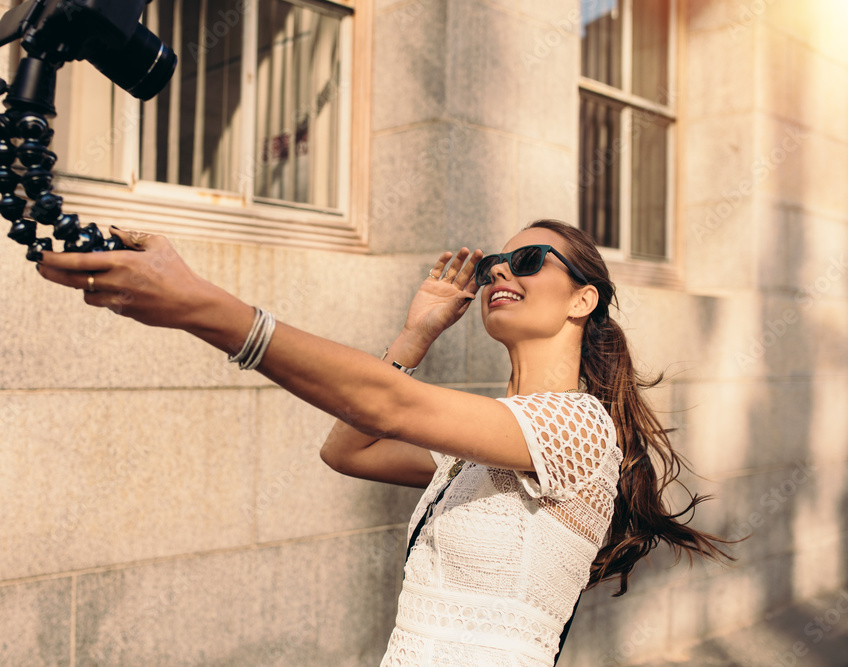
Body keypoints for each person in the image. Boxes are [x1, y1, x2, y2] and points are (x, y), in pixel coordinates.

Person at [36, 219, 732, 666]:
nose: (498, 271)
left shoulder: (577, 426)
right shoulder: (485, 442)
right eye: (494, 260)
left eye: (526, 258)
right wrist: (416, 335)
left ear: (583, 299)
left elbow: (387, 403)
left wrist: (200, 306)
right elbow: (349, 450)